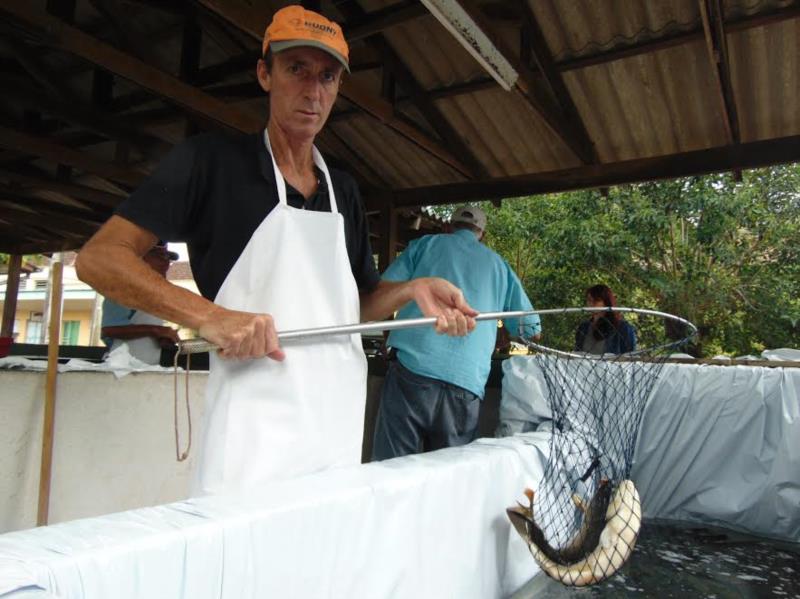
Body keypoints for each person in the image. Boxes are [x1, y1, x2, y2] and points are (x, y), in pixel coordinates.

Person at [76, 5, 477, 495]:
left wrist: (412, 289)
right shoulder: (209, 164)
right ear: (265, 73)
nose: (313, 90)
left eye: (328, 76)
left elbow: (359, 306)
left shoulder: (343, 190)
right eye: (297, 70)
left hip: (333, 435)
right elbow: (99, 257)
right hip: (251, 437)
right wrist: (209, 316)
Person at [372, 205, 542, 460]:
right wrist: (504, 332)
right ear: (481, 234)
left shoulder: (425, 245)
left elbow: (382, 290)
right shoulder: (499, 266)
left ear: (448, 227)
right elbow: (531, 329)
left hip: (411, 370)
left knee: (390, 468)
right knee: (449, 478)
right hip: (466, 383)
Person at [100, 241, 180, 365]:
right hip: (121, 368)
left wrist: (161, 339)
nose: (166, 263)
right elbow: (109, 330)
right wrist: (155, 330)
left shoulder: (153, 295)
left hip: (148, 366)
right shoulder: (122, 289)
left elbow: (149, 333)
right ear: (141, 260)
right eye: (161, 257)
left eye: (168, 258)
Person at [575, 284, 636, 354]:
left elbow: (629, 357)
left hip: (612, 365)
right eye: (589, 300)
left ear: (606, 303)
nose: (591, 304)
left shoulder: (623, 328)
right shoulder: (583, 327)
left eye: (596, 300)